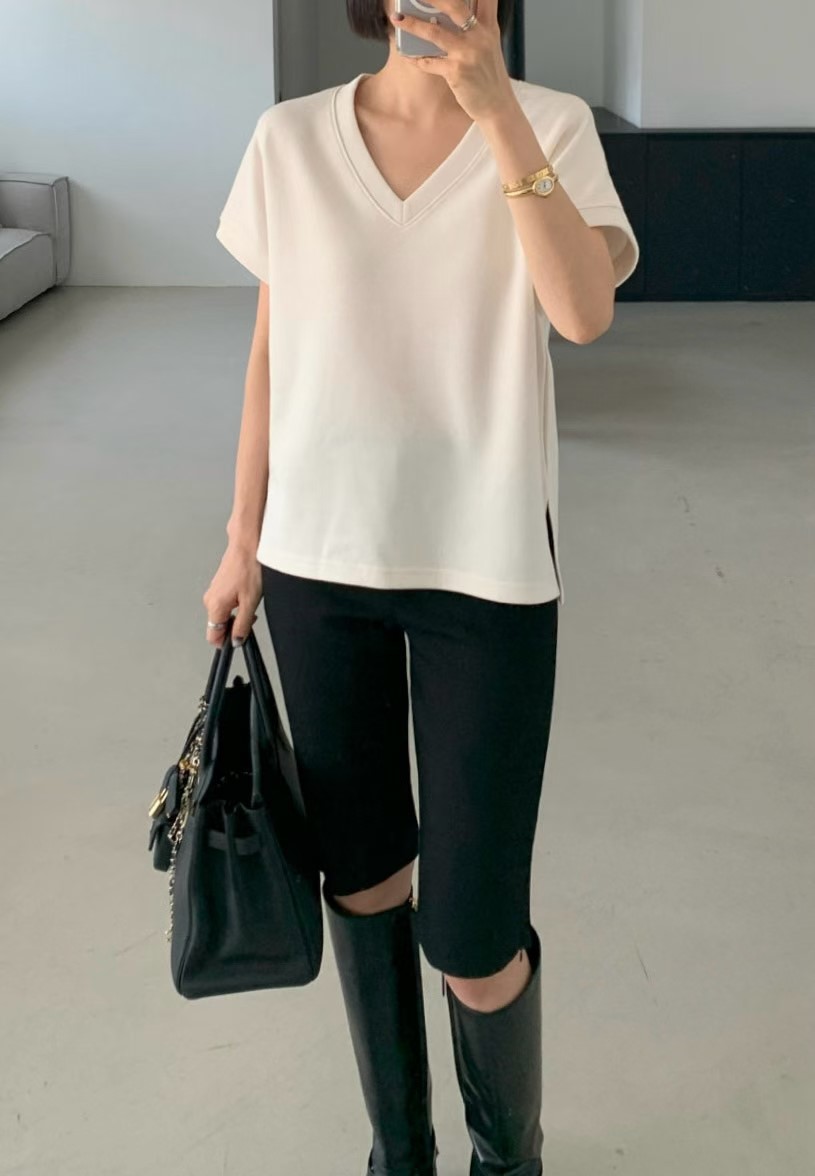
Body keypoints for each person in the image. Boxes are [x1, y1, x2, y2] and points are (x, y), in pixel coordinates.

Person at [204, 0, 639, 1172]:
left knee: (475, 936)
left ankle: (506, 1160)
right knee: (361, 882)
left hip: (485, 573)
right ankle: (398, 1154)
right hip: (317, 565)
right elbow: (272, 347)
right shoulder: (289, 139)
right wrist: (242, 536)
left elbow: (581, 314)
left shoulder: (549, 124)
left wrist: (497, 116)